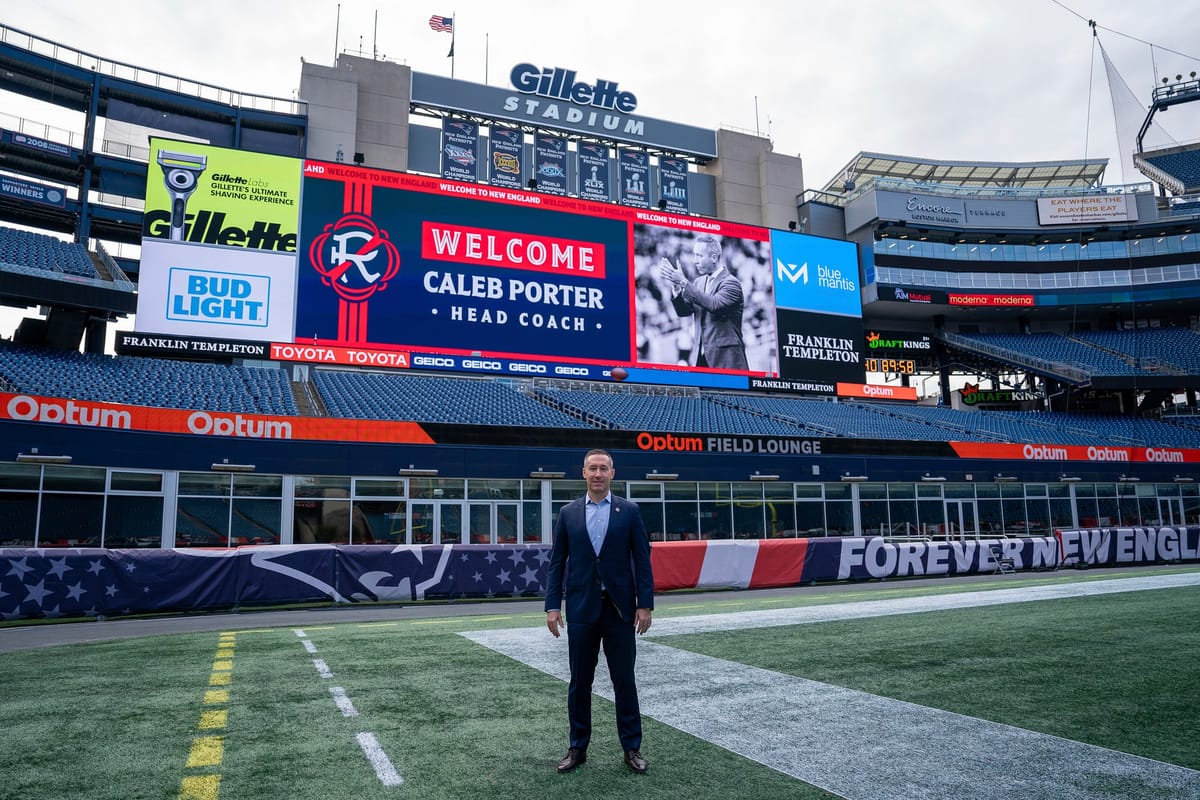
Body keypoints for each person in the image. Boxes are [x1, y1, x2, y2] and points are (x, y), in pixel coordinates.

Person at [545, 449, 655, 775]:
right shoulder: (567, 513)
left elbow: (643, 562)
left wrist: (645, 604)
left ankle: (631, 748)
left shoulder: (630, 511)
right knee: (580, 682)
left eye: (603, 468)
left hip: (620, 611)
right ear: (583, 473)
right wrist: (552, 605)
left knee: (625, 681)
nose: (597, 473)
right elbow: (556, 564)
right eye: (592, 468)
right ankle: (577, 747)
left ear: (612, 473)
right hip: (581, 610)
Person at [656, 233, 748, 370]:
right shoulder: (699, 282)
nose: (695, 261)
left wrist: (683, 282)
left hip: (727, 361)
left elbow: (714, 304)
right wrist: (676, 288)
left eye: (699, 255)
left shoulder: (731, 283)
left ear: (714, 258)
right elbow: (683, 311)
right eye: (694, 255)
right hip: (700, 359)